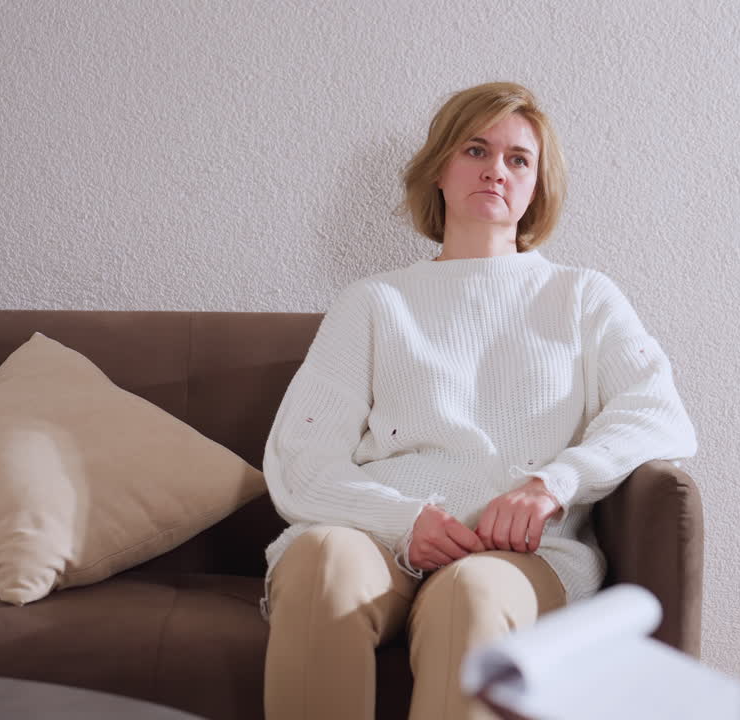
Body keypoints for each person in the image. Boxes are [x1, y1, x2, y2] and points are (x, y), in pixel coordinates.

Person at [259, 81, 698, 720]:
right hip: (377, 538)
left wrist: (551, 484)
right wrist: (403, 519)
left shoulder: (583, 297)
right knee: (321, 560)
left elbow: (657, 413)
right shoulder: (374, 303)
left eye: (519, 159)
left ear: (536, 187)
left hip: (522, 557)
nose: (496, 169)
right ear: (440, 167)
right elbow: (301, 459)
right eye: (475, 150)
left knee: (471, 593)